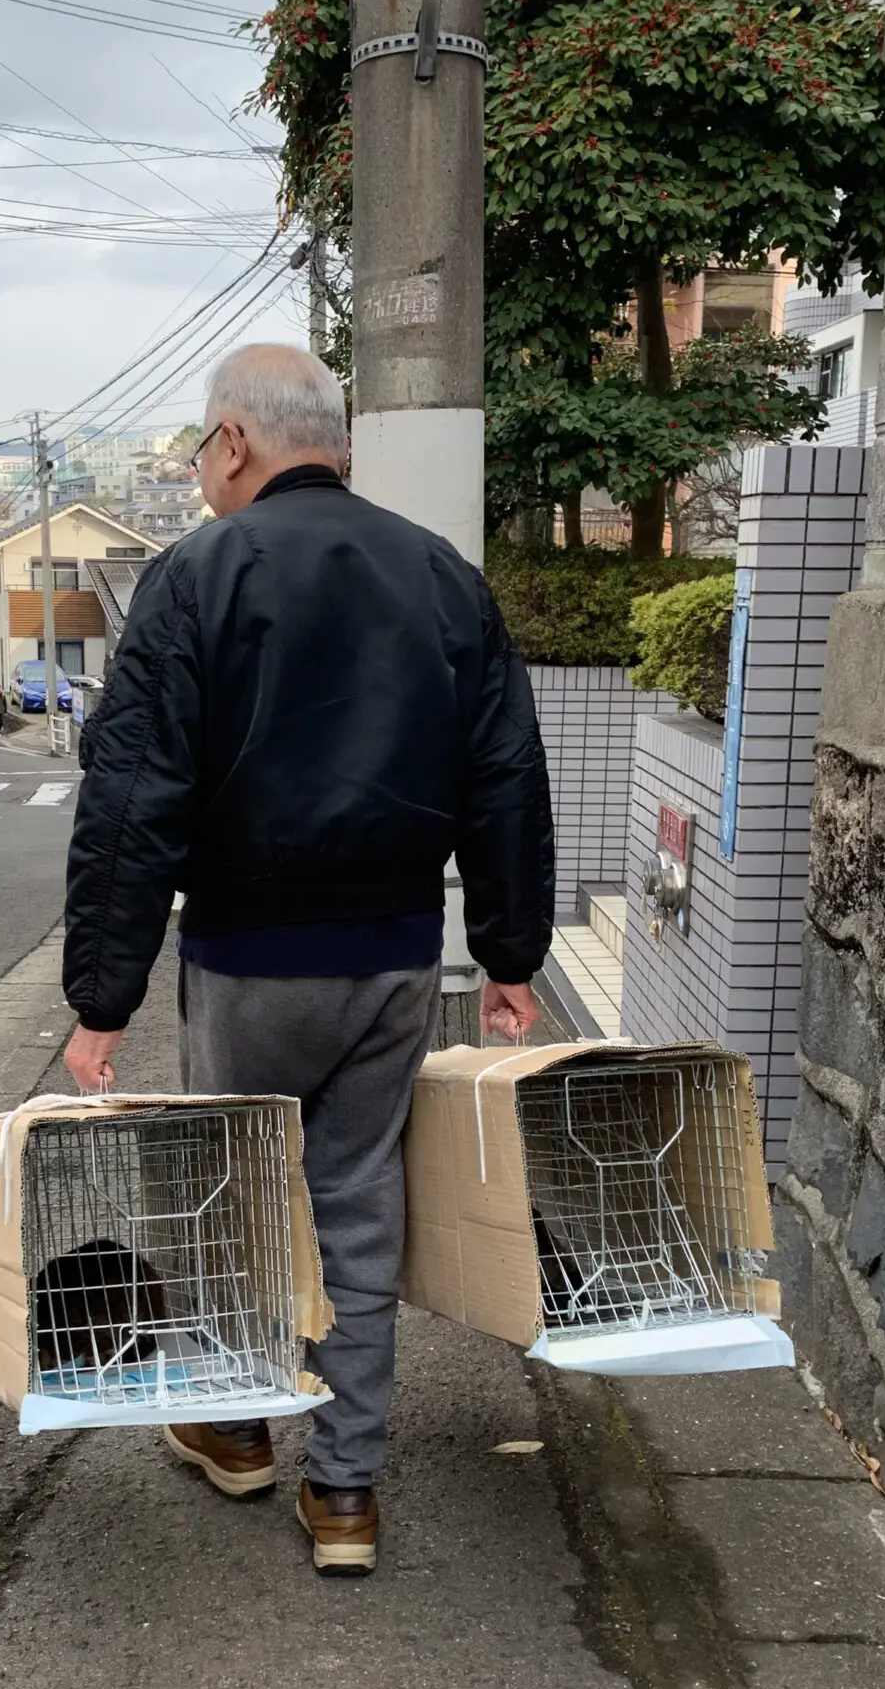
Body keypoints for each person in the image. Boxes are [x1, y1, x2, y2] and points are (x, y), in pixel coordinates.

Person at [63, 344, 554, 1578]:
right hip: (394, 958)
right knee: (357, 1205)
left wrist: (100, 1002)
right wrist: (505, 952)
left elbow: (134, 801)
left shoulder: (195, 578)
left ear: (234, 443)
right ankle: (345, 1494)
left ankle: (234, 1433)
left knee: (236, 1197)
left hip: (245, 956)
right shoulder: (443, 578)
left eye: (200, 451)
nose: (201, 473)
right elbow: (505, 777)